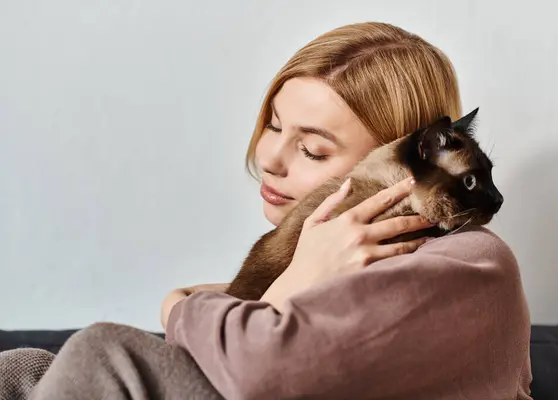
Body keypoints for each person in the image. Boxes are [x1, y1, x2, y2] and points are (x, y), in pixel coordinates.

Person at [20, 21, 531, 399]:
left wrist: (181, 307)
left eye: (312, 149)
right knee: (23, 371)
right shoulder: (352, 261)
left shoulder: (470, 261)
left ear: (398, 157)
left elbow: (257, 370)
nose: (267, 158)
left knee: (104, 353)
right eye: (272, 124)